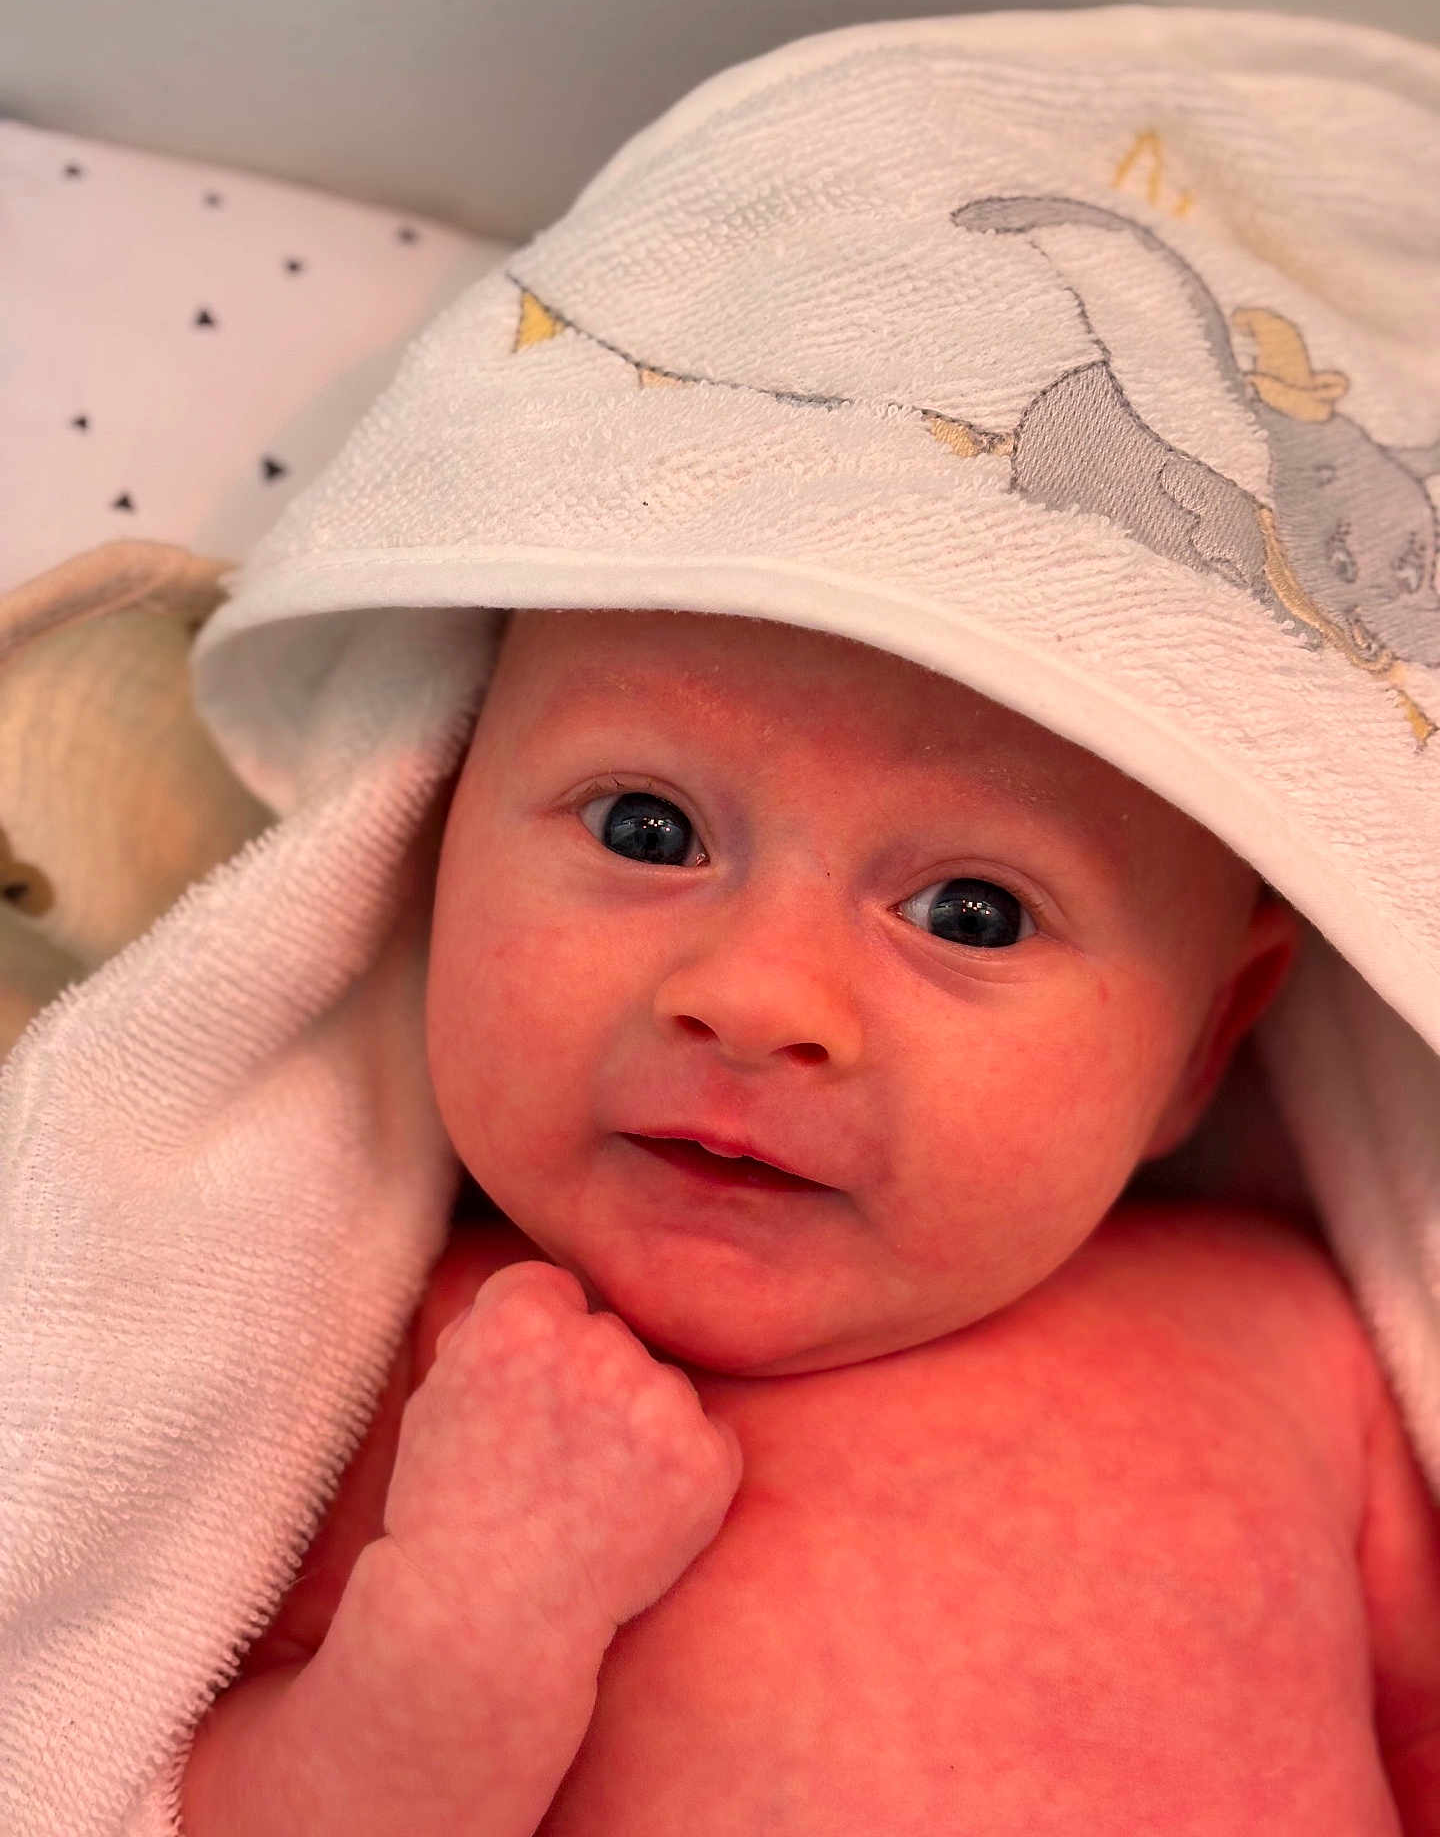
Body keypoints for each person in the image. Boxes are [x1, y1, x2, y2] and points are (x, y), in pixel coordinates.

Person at [176, 603, 1440, 1834]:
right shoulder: (435, 1361)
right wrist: (474, 1613)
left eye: (973, 914)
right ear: (431, 844)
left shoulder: (1294, 1340)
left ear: (1203, 1043)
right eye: (646, 830)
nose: (756, 997)